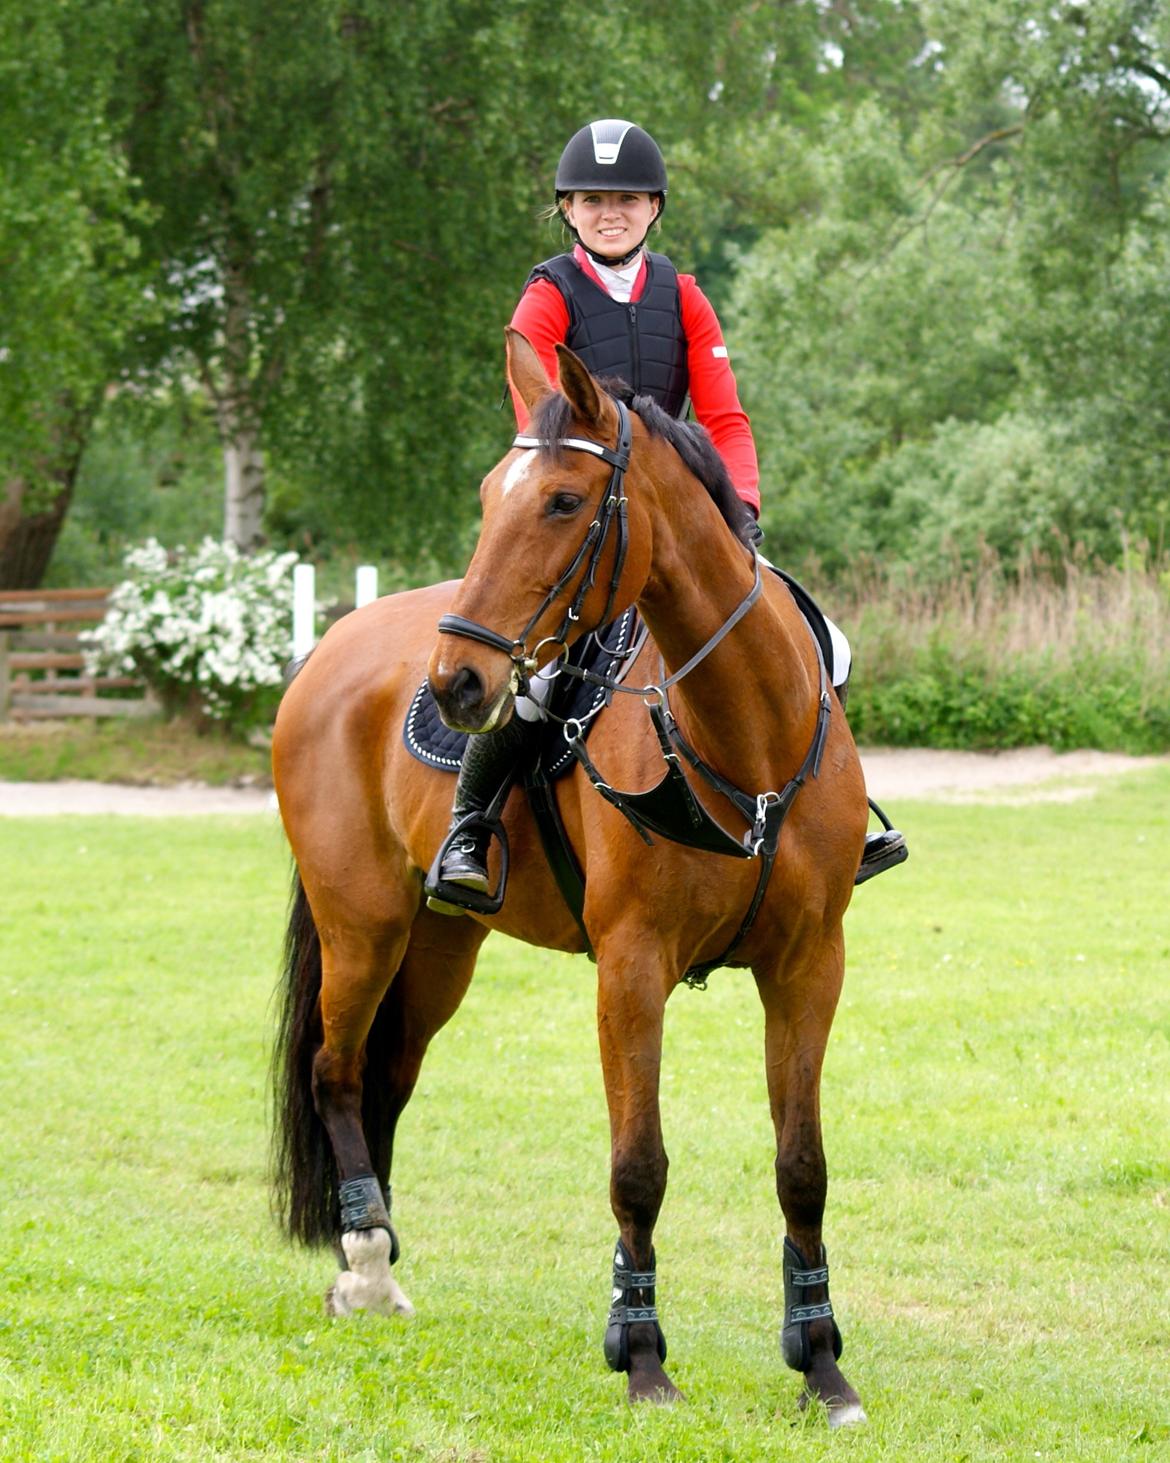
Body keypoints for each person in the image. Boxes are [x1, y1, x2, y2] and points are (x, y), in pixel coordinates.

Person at [426, 120, 904, 910]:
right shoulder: (547, 292)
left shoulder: (682, 293)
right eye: (591, 200)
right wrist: (569, 465)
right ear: (567, 211)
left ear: (653, 208)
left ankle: (840, 822)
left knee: (828, 643)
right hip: (588, 511)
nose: (609, 212)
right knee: (541, 677)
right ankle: (470, 827)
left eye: (625, 199)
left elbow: (724, 417)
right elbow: (539, 404)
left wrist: (737, 507)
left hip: (681, 516)